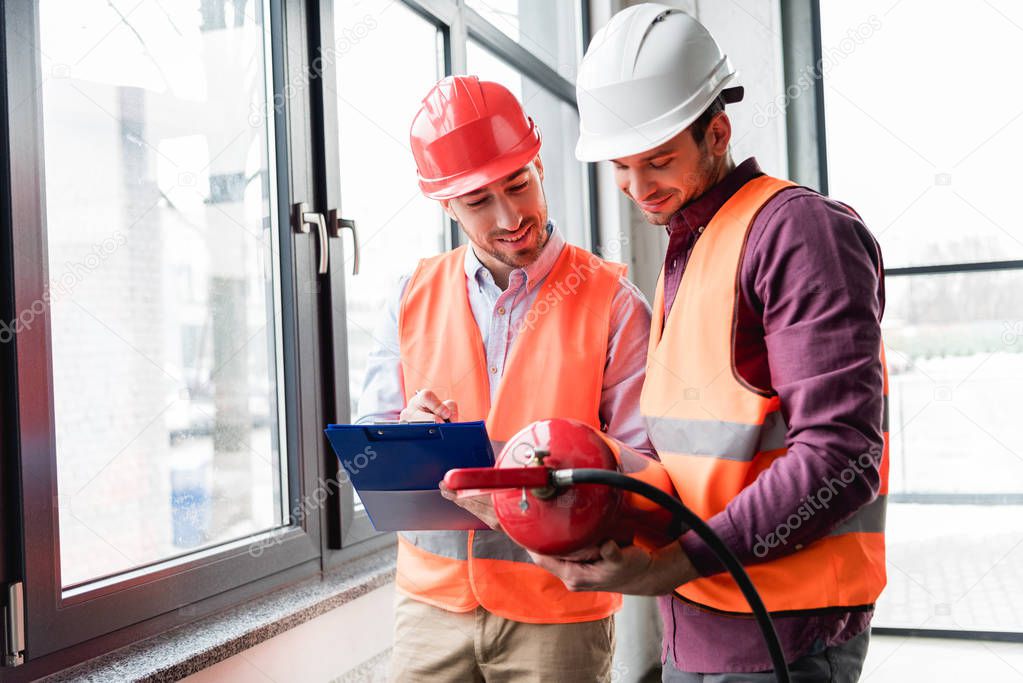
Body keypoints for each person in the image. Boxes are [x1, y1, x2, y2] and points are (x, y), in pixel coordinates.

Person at [528, 5, 889, 682]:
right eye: (620, 167)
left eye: (658, 161)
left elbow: (842, 456)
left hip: (785, 627)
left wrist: (675, 559)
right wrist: (580, 491)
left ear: (716, 131)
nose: (639, 189)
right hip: (694, 616)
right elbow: (700, 458)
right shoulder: (690, 252)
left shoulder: (796, 233)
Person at [355, 74, 654, 682]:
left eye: (519, 185)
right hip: (429, 606)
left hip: (558, 607)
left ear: (539, 164)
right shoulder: (410, 295)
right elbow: (370, 443)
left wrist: (541, 495)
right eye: (478, 202)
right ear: (446, 205)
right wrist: (404, 436)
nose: (510, 216)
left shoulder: (614, 304)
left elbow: (647, 472)